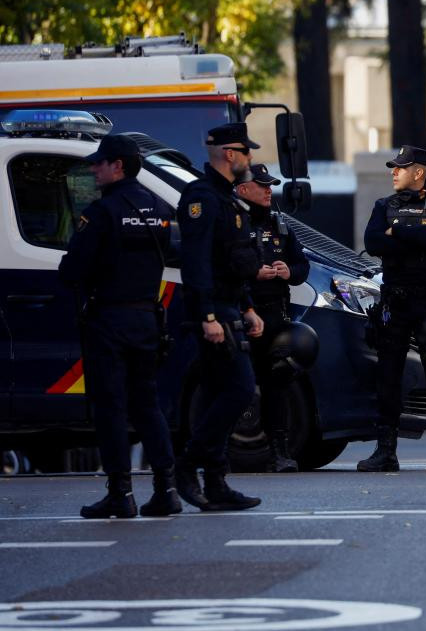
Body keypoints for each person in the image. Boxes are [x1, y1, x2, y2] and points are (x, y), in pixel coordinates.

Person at [58, 134, 182, 518]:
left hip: (108, 320)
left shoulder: (101, 212)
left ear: (119, 166)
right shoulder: (160, 208)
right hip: (147, 317)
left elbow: (73, 270)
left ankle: (121, 494)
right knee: (147, 405)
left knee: (110, 407)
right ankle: (167, 489)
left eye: (101, 162)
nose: (94, 168)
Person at [175, 123, 266, 509]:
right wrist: (208, 316)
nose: (250, 160)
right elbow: (195, 263)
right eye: (246, 152)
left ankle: (216, 483)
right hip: (213, 312)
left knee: (217, 393)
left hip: (230, 307)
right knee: (241, 389)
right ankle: (189, 464)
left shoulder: (226, 198)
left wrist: (247, 307)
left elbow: (230, 261)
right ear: (231, 154)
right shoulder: (202, 198)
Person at [359, 145, 426, 472]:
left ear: (419, 172)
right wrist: (420, 229)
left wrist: (399, 230)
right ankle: (385, 451)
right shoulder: (383, 205)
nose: (394, 171)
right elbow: (374, 242)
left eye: (401, 167)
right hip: (395, 302)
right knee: (388, 376)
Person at [236, 163, 311, 472]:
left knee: (277, 385)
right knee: (236, 386)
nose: (269, 190)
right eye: (262, 185)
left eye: (270, 185)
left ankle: (278, 451)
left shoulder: (279, 225)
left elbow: (302, 266)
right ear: (243, 189)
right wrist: (254, 273)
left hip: (275, 317)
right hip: (243, 317)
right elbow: (225, 268)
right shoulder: (234, 223)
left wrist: (287, 271)